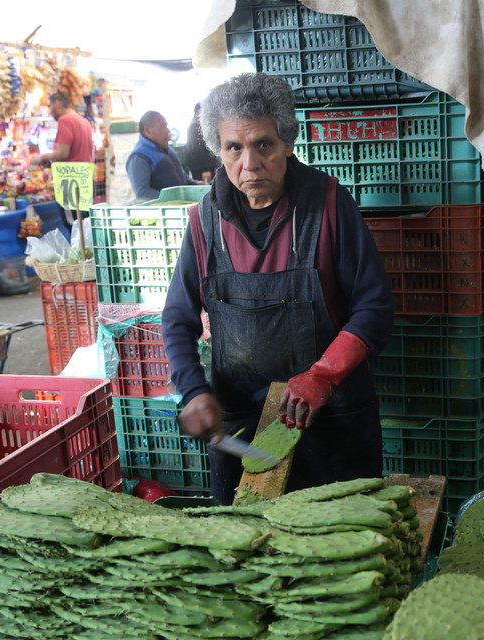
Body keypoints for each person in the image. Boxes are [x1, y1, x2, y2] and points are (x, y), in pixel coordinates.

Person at [161, 73, 395, 505]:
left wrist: (322, 376)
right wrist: (193, 390)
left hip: (331, 418)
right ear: (218, 150)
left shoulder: (327, 204)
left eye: (263, 145)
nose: (249, 163)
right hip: (241, 423)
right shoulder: (202, 222)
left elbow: (374, 308)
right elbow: (178, 319)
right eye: (234, 148)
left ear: (287, 142)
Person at [126, 110, 196, 201]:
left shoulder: (167, 149)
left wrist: (195, 184)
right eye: (163, 126)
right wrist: (173, 200)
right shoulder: (139, 157)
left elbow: (181, 175)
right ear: (147, 130)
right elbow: (142, 193)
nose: (168, 131)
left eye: (166, 126)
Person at [31, 92, 93, 165]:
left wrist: (43, 157)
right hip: (85, 173)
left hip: (71, 174)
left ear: (57, 105)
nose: (50, 112)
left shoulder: (65, 120)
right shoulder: (84, 121)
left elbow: (62, 153)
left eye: (50, 107)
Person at [186, 102, 222, 182]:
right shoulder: (194, 127)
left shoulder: (205, 126)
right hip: (201, 169)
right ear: (197, 112)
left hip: (209, 167)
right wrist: (204, 170)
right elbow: (196, 150)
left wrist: (216, 165)